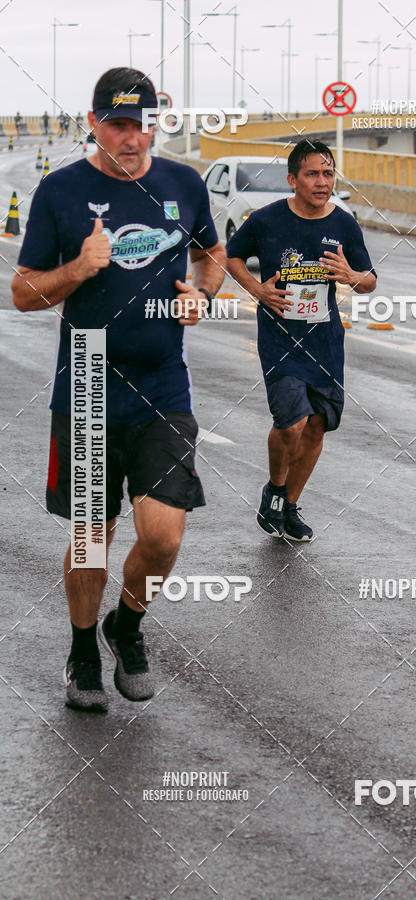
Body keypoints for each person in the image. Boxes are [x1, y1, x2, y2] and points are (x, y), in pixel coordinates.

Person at [11, 67, 225, 712]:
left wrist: (201, 294)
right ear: (94, 124)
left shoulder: (183, 184)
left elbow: (211, 254)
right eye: (117, 125)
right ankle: (82, 651)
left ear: (155, 125)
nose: (130, 138)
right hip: (87, 381)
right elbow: (23, 293)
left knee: (163, 537)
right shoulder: (60, 191)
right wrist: (79, 268)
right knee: (89, 539)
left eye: (141, 125)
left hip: (163, 386)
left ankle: (125, 626)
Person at [227, 139, 376, 542]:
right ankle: (275, 489)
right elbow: (231, 255)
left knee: (317, 426)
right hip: (280, 339)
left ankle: (289, 506)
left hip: (325, 341)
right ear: (293, 179)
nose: (322, 182)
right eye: (312, 174)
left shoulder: (343, 223)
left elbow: (369, 280)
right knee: (291, 423)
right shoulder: (266, 220)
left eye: (328, 173)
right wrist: (257, 291)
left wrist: (352, 276)